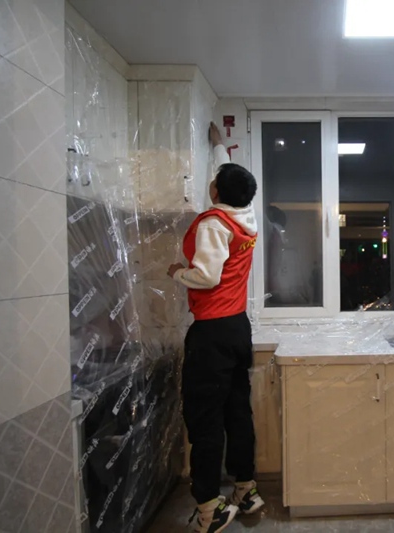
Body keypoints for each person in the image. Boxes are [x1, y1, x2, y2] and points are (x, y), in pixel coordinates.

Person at [167, 122, 263, 533]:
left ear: (216, 192)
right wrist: (220, 146)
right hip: (237, 327)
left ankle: (209, 508)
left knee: (204, 418)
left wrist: (176, 272)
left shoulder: (214, 223)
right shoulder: (245, 215)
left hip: (211, 332)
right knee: (237, 410)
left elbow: (206, 277)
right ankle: (245, 489)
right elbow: (231, 178)